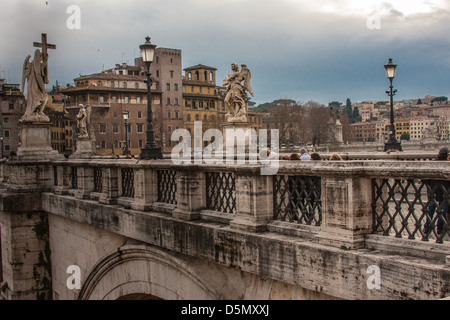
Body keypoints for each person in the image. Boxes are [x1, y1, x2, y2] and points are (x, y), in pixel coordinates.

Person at [423, 146, 449, 236]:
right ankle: (439, 228)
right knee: (443, 211)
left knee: (430, 210)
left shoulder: (432, 164)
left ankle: (427, 227)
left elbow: (427, 179)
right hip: (444, 193)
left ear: (438, 154)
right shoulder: (448, 165)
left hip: (433, 191)